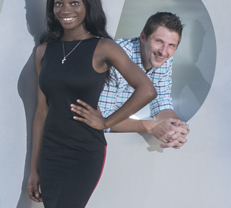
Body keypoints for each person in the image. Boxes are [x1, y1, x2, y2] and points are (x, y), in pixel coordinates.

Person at [27, 0, 154, 208]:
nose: (65, 10)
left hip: (84, 151)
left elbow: (146, 88)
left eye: (73, 2)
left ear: (87, 5)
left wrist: (107, 121)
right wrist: (34, 169)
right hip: (51, 154)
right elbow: (41, 111)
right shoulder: (44, 51)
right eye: (58, 3)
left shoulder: (102, 47)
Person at [75, 12, 191, 148]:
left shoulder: (164, 59)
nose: (164, 51)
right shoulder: (116, 56)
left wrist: (177, 127)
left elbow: (161, 102)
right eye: (158, 41)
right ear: (143, 37)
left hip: (112, 137)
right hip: (79, 132)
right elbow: (102, 117)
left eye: (171, 45)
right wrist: (150, 127)